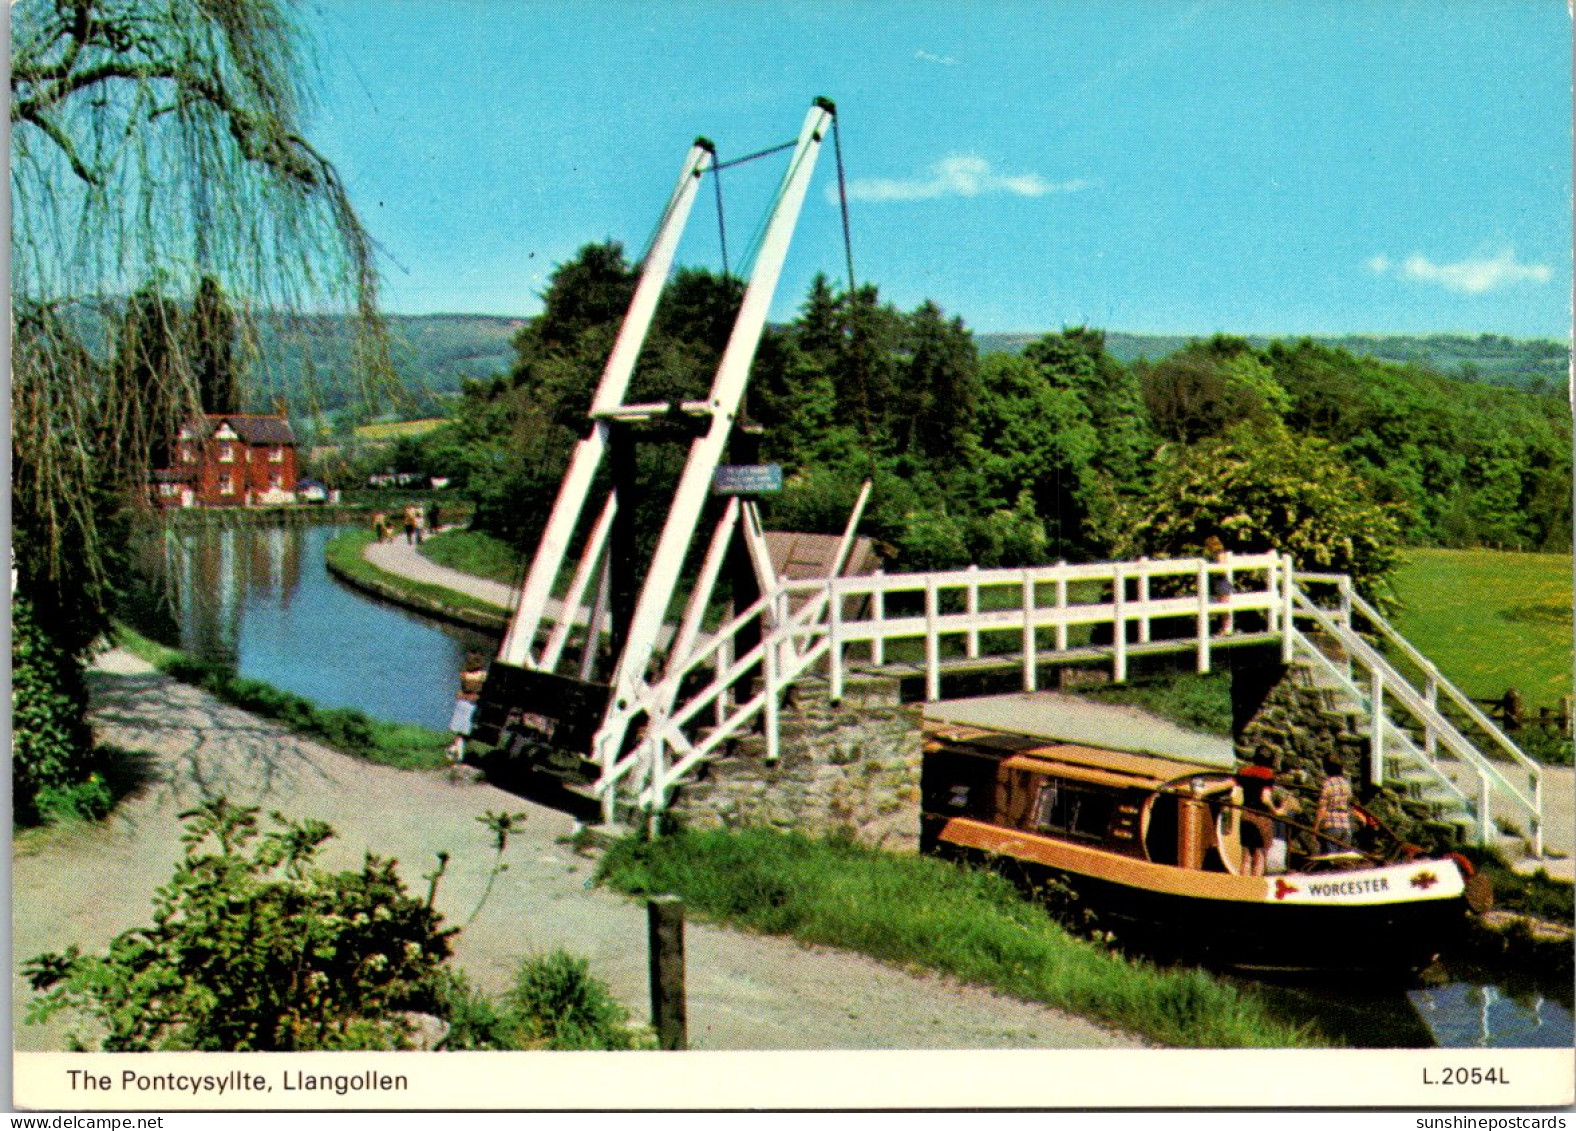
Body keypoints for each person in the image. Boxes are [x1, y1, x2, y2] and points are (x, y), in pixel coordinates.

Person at [1236, 753, 1295, 876]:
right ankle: (1256, 888)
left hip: (1245, 815)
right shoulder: (1267, 775)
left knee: (1246, 856)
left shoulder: (1244, 772)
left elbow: (1230, 785)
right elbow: (1265, 798)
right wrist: (1276, 811)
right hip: (1261, 818)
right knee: (1259, 855)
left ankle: (1244, 887)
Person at [1314, 754, 1355, 856]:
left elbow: (1322, 809)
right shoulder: (1346, 784)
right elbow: (1350, 803)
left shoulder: (1327, 784)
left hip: (1331, 823)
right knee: (1343, 860)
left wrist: (1315, 829)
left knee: (1331, 858)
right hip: (1345, 824)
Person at [1203, 534, 1234, 636]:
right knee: (1223, 607)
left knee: (1224, 606)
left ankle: (1226, 628)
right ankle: (1226, 628)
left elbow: (1222, 568)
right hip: (1221, 582)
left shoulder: (1219, 554)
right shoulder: (1216, 554)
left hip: (1222, 582)